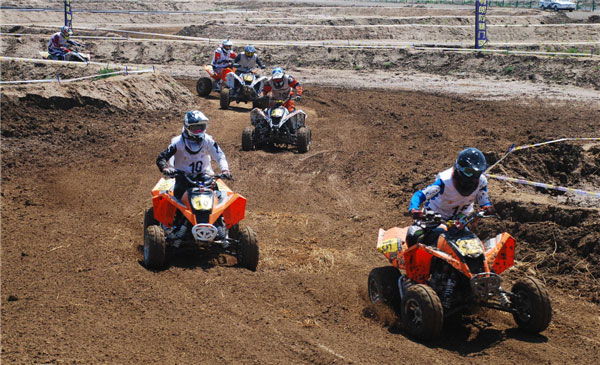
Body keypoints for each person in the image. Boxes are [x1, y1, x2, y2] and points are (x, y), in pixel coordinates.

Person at [406, 147, 495, 246]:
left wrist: (487, 208)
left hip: (461, 219)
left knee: (471, 245)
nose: (473, 178)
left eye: (477, 173)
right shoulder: (444, 182)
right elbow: (420, 195)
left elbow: (485, 202)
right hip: (435, 216)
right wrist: (414, 209)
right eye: (468, 172)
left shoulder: (481, 182)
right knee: (413, 235)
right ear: (459, 169)